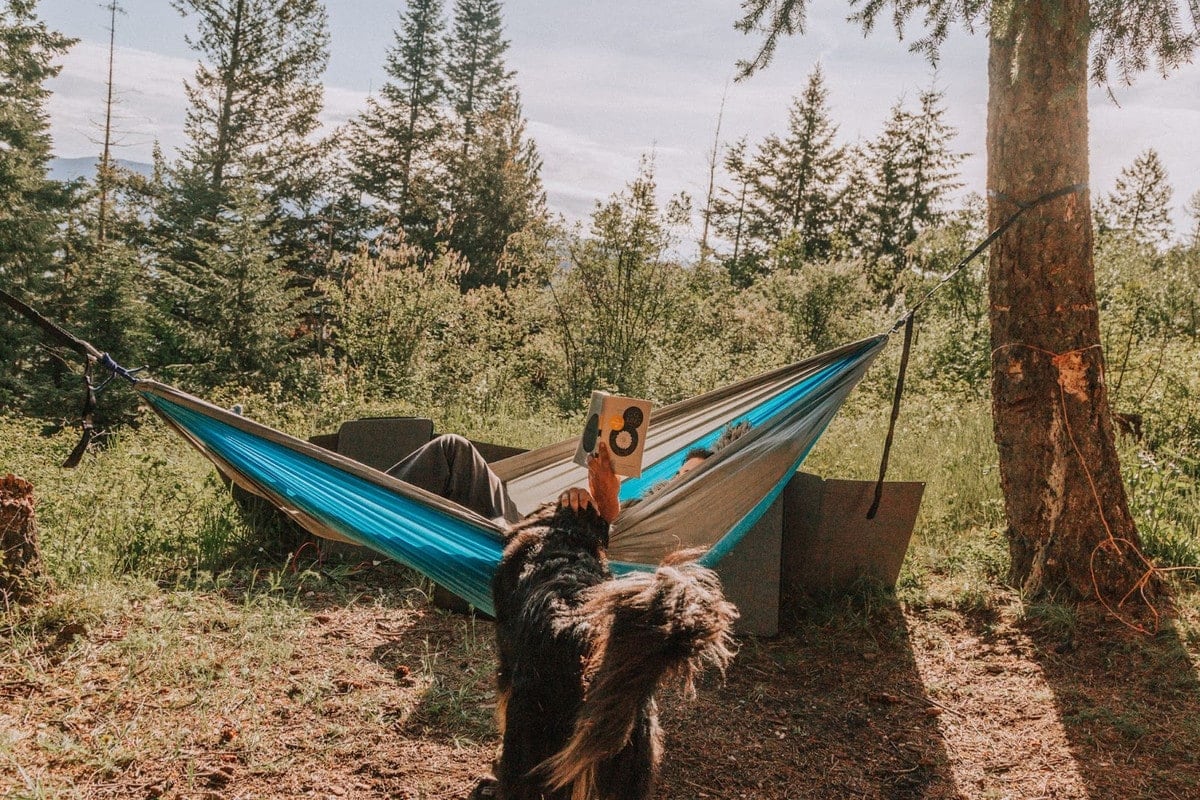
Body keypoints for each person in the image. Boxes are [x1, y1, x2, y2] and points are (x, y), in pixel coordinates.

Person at [386, 421, 752, 526]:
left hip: (523, 542)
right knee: (455, 449)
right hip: (529, 523)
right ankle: (357, 496)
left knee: (453, 450)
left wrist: (603, 494)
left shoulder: (679, 524)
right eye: (680, 473)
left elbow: (609, 531)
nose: (678, 480)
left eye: (690, 478)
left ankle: (354, 502)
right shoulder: (651, 502)